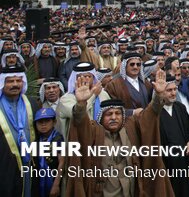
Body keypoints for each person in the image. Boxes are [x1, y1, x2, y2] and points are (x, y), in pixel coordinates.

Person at [66, 69, 174, 197]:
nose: (113, 117)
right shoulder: (94, 130)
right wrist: (81, 104)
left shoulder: (131, 127)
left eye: (117, 113)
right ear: (101, 117)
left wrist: (158, 96)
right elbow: (79, 123)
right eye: (109, 114)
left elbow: (150, 115)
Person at [0, 64, 40, 197]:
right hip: (5, 164)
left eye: (18, 81)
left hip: (29, 162)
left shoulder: (32, 103)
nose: (15, 84)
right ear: (2, 83)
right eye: (10, 81)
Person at [159, 75, 189, 197]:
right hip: (166, 165)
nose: (173, 93)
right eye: (169, 90)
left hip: (183, 163)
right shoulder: (155, 114)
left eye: (175, 89)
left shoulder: (180, 108)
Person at [105, 51, 153, 116]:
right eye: (132, 64)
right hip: (127, 123)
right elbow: (111, 108)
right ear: (125, 66)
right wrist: (132, 112)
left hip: (145, 121)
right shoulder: (113, 85)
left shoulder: (146, 83)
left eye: (138, 64)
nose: (135, 67)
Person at [32, 108, 64, 197]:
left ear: (54, 122)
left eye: (47, 121)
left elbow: (62, 162)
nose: (43, 124)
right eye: (40, 122)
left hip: (53, 179)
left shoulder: (58, 139)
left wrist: (56, 185)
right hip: (39, 180)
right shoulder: (37, 140)